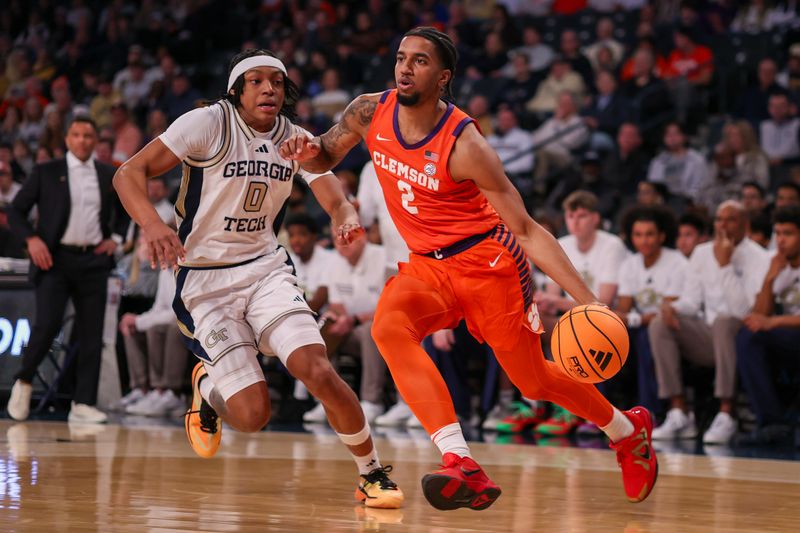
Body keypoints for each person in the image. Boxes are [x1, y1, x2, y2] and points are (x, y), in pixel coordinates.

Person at [280, 27, 658, 510]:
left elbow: (526, 229)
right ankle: (461, 462)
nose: (404, 68)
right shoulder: (369, 110)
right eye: (401, 58)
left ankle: (627, 431)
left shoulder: (465, 144)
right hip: (426, 267)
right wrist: (306, 152)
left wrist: (588, 300)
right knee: (389, 328)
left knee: (533, 381)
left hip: (489, 264)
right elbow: (326, 152)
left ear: (443, 78)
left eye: (419, 61)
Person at [112, 49, 402, 509]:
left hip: (264, 269)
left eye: (277, 81)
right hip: (205, 280)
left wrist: (344, 215)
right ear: (237, 90)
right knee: (251, 416)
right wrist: (153, 224)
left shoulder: (295, 137)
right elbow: (129, 173)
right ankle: (207, 386)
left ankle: (371, 473)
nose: (269, 88)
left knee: (317, 368)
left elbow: (335, 195)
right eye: (257, 81)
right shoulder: (207, 122)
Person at [5, 116, 129, 424]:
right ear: (67, 140)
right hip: (55, 260)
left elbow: (127, 207)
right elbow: (15, 210)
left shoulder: (107, 174)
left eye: (89, 135)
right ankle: (23, 381)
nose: (83, 140)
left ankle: (83, 403)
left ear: (95, 141)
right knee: (47, 325)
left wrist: (114, 238)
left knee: (92, 334)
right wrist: (32, 240)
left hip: (93, 262)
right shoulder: (47, 171)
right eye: (77, 135)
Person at [649, 201, 770, 444]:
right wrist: (671, 307)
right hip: (707, 336)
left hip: (740, 338)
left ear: (745, 226)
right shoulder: (702, 252)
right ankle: (679, 412)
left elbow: (745, 311)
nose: (722, 225)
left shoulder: (760, 257)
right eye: (719, 219)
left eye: (730, 220)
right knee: (659, 323)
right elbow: (692, 302)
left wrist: (725, 265)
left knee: (725, 322)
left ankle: (727, 413)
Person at [736, 206, 800, 444]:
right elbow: (758, 316)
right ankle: (772, 423)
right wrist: (769, 279)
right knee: (748, 335)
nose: (781, 241)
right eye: (778, 234)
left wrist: (774, 321)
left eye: (789, 234)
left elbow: (768, 320)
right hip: (787, 339)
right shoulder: (777, 265)